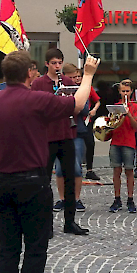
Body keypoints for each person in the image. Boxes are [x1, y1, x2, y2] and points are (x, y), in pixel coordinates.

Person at [0, 51, 99, 273]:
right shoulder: (35, 99)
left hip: (2, 181)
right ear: (29, 73)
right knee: (36, 249)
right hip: (31, 182)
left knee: (7, 249)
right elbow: (78, 104)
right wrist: (88, 75)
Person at [31, 48, 87, 235]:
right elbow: (35, 110)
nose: (57, 66)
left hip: (67, 134)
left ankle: (69, 222)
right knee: (44, 181)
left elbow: (77, 107)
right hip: (47, 137)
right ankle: (44, 224)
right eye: (53, 63)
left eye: (59, 63)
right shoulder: (39, 83)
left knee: (70, 178)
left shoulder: (69, 82)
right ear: (47, 64)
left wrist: (68, 103)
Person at [58, 63, 88, 212]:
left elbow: (85, 109)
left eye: (75, 77)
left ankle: (76, 199)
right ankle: (62, 199)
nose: (73, 80)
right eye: (70, 78)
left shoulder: (81, 89)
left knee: (76, 168)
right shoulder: (58, 88)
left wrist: (74, 100)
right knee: (59, 170)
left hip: (77, 132)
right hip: (60, 132)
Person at [108, 79, 137, 213]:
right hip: (116, 141)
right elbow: (111, 125)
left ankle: (130, 199)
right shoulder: (115, 106)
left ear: (131, 92)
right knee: (116, 171)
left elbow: (135, 126)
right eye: (123, 91)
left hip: (129, 142)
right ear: (119, 92)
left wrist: (128, 114)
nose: (125, 93)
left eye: (127, 91)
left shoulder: (135, 107)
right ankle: (117, 198)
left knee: (129, 171)